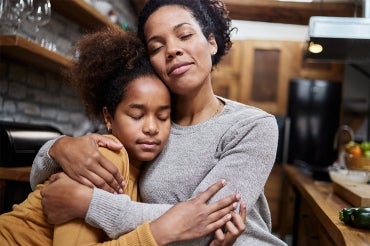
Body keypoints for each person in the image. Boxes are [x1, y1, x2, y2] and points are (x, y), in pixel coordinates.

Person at [31, 0, 287, 245]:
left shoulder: (252, 126)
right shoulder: (150, 126)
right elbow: (44, 179)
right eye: (156, 47)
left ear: (212, 42)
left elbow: (204, 227)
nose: (173, 50)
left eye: (184, 35)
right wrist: (58, 148)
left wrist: (90, 204)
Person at [0, 27, 245, 245]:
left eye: (162, 117)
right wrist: (157, 234)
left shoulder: (142, 171)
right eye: (137, 116)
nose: (151, 127)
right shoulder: (105, 160)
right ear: (108, 117)